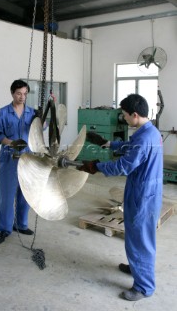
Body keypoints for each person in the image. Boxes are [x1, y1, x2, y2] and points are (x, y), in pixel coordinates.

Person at [79, 94, 163, 301]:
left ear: (135, 115)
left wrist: (97, 166)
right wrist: (109, 144)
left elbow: (124, 165)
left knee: (140, 240)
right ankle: (137, 269)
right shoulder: (149, 132)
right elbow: (132, 147)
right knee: (138, 237)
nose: (123, 119)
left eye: (125, 115)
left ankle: (143, 287)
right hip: (147, 191)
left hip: (142, 195)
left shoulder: (144, 138)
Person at [0, 79, 37, 245]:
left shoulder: (32, 113)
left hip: (28, 159)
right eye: (19, 93)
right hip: (9, 160)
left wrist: (45, 115)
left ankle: (21, 224)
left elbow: (41, 128)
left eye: (25, 94)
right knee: (6, 196)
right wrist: (12, 143)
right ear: (12, 93)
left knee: (25, 194)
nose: (22, 97)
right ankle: (4, 229)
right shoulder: (3, 113)